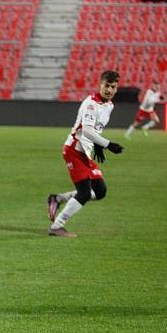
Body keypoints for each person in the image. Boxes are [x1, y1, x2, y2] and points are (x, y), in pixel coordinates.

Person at [47, 70, 124, 237]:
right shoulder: (91, 104)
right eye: (107, 86)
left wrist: (97, 145)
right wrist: (107, 145)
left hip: (86, 151)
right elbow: (87, 131)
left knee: (100, 191)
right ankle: (56, 226)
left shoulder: (109, 105)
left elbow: (96, 129)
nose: (110, 90)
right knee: (84, 192)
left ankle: (57, 199)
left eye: (113, 87)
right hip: (74, 150)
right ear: (100, 85)